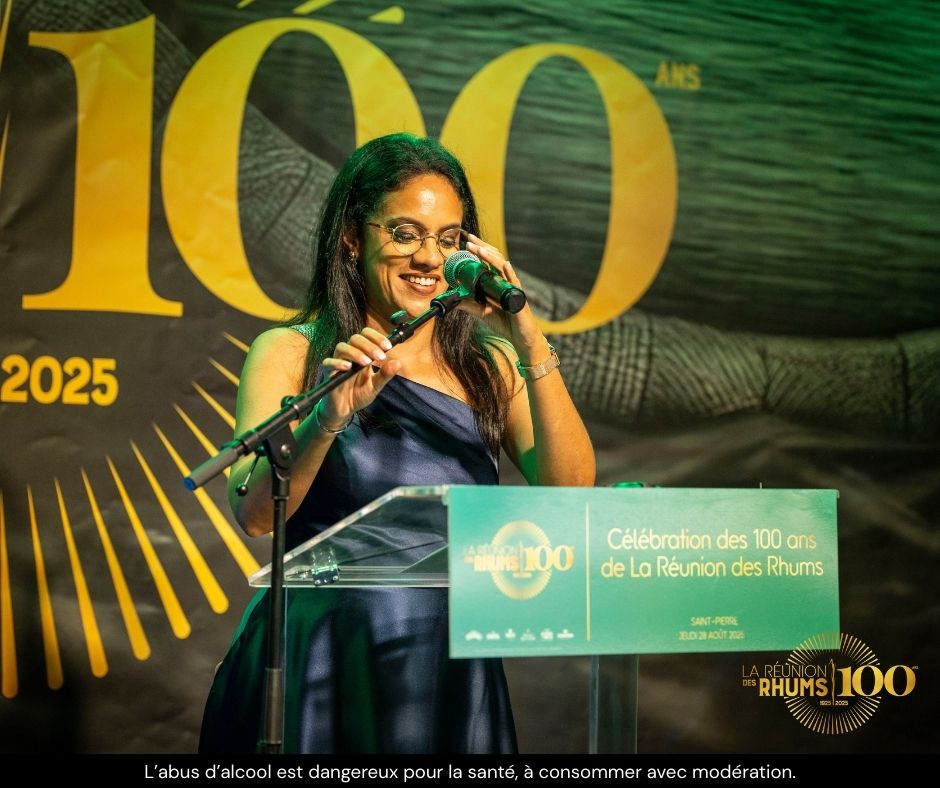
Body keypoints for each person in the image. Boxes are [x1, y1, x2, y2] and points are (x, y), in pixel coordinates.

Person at [199, 133, 595, 754]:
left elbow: (570, 492)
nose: (429, 258)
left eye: (448, 239)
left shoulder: (490, 366)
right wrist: (327, 418)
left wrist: (528, 339)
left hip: (445, 665)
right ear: (353, 238)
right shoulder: (293, 354)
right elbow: (254, 515)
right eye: (406, 233)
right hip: (323, 659)